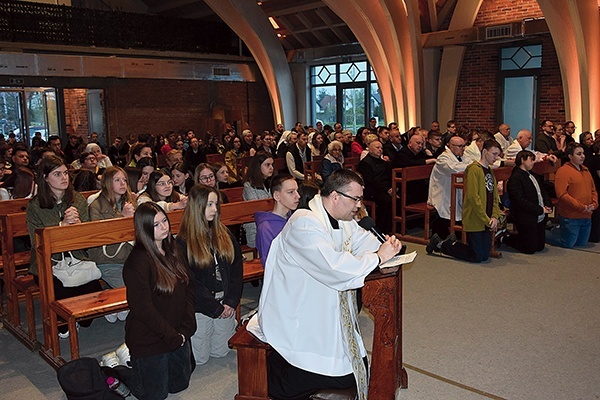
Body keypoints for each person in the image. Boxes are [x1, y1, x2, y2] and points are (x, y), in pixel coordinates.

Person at [247, 169, 403, 400]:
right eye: (356, 199)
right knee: (332, 373)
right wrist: (378, 257)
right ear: (336, 196)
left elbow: (364, 242)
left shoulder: (343, 221)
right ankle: (267, 380)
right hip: (298, 314)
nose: (359, 206)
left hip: (323, 308)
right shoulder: (304, 224)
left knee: (354, 366)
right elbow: (335, 268)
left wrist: (386, 245)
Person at [123, 202, 195, 400]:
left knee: (180, 385)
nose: (164, 227)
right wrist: (171, 336)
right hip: (150, 336)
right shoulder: (137, 262)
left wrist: (187, 326)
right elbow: (142, 309)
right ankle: (120, 370)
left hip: (176, 330)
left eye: (164, 221)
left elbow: (188, 287)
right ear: (144, 228)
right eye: (156, 225)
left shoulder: (174, 249)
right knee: (156, 395)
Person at [26, 155, 102, 338]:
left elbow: (87, 237)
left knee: (88, 315)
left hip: (77, 260)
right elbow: (36, 243)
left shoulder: (77, 199)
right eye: (57, 174)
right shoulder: (35, 206)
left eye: (65, 173)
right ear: (45, 178)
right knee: (63, 303)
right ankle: (62, 322)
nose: (64, 178)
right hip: (47, 265)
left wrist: (78, 225)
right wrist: (62, 226)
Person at [177, 185, 243, 365]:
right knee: (200, 358)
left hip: (224, 301)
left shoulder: (223, 233)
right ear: (197, 207)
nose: (215, 209)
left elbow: (237, 269)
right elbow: (189, 281)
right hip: (202, 305)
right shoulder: (183, 241)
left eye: (216, 204)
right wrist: (214, 308)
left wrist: (230, 302)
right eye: (209, 205)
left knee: (221, 352)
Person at [427, 139, 503, 263]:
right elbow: (473, 198)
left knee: (485, 255)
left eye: (497, 155)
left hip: (487, 219)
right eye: (494, 154)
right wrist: (486, 219)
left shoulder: (489, 171)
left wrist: (494, 216)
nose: (496, 157)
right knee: (477, 257)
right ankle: (442, 245)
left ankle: (451, 243)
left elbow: (494, 196)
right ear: (484, 152)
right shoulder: (474, 169)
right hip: (476, 218)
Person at [546, 143, 598, 248]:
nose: (583, 156)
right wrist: (580, 207)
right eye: (579, 154)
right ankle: (545, 232)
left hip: (586, 215)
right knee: (568, 243)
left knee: (581, 243)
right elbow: (562, 194)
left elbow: (593, 189)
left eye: (583, 153)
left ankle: (556, 229)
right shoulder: (563, 171)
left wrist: (594, 204)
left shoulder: (586, 170)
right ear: (570, 156)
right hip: (571, 216)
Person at [502, 151, 553, 254]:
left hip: (537, 214)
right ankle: (506, 238)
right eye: (531, 159)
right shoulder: (515, 178)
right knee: (530, 248)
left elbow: (542, 191)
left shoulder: (532, 174)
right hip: (525, 215)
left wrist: (547, 204)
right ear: (522, 160)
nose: (533, 162)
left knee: (540, 246)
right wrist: (539, 209)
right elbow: (519, 200)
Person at [254, 174, 300, 267]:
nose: (298, 196)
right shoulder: (266, 228)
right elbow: (269, 263)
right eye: (291, 192)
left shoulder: (294, 219)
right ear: (277, 196)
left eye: (297, 191)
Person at [427, 136, 469, 239]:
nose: (463, 148)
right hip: (442, 194)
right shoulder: (443, 158)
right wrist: (470, 166)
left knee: (459, 211)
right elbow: (455, 169)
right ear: (450, 146)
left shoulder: (462, 156)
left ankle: (458, 235)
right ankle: (437, 237)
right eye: (460, 146)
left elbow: (470, 163)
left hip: (455, 192)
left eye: (464, 146)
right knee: (446, 213)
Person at [242, 152, 274, 247]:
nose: (271, 168)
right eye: (267, 165)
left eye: (272, 164)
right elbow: (258, 209)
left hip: (271, 224)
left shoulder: (272, 182)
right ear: (258, 167)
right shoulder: (249, 186)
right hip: (256, 228)